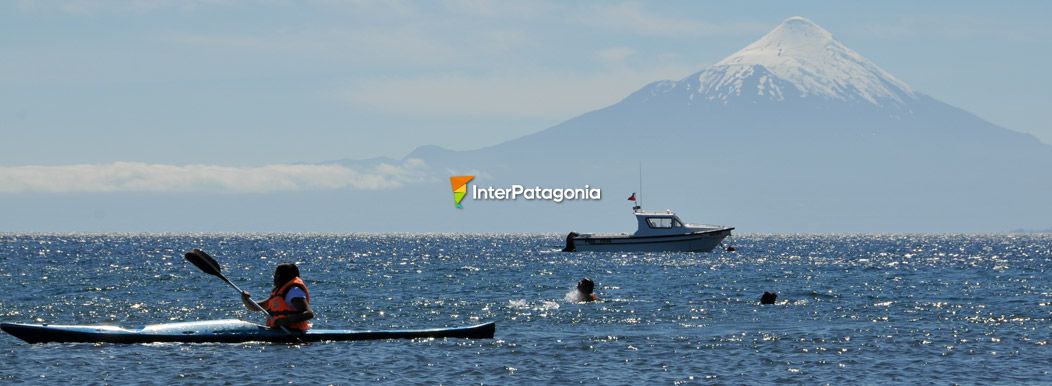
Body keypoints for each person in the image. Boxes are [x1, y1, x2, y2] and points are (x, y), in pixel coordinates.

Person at [241, 263, 314, 331]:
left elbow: (308, 313)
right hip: (279, 333)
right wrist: (246, 299)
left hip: (293, 333)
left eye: (276, 274)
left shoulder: (294, 292)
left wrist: (285, 320)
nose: (274, 277)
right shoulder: (279, 293)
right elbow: (256, 307)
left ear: (283, 276)